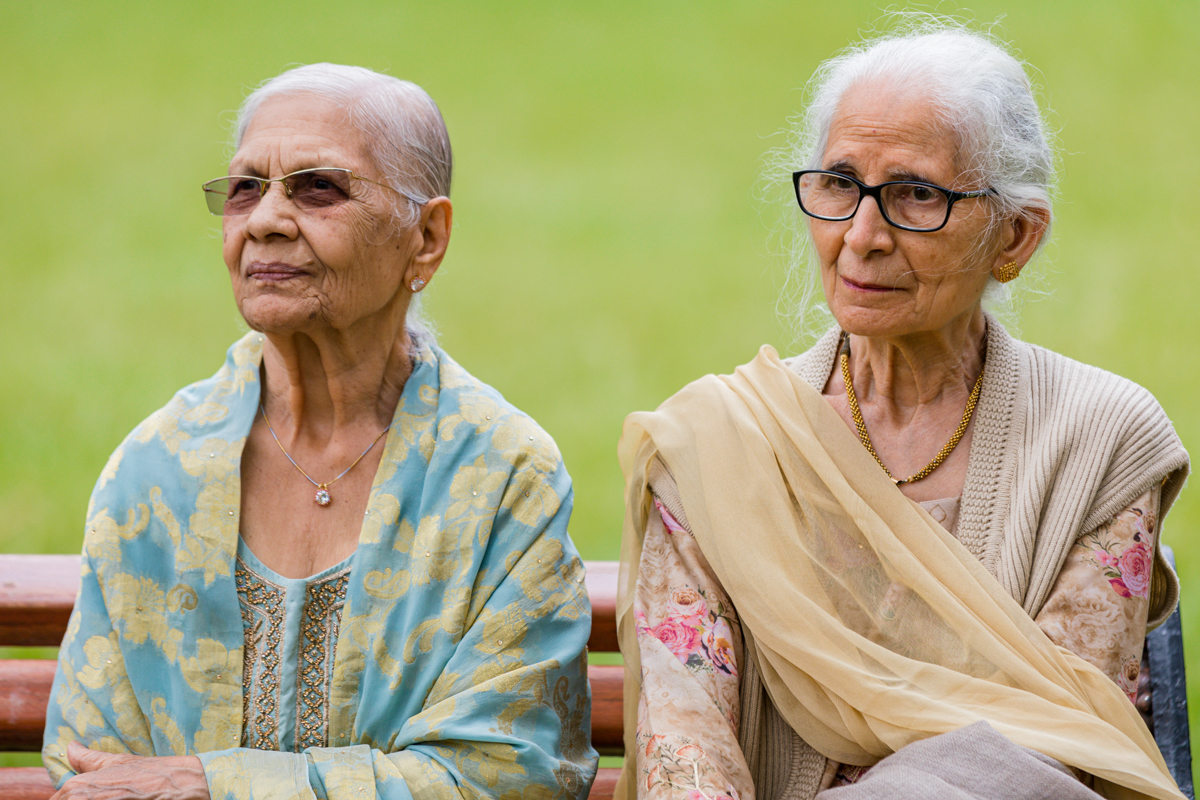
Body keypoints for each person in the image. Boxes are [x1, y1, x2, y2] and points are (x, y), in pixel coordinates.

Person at [616, 21, 1189, 800]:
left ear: (1015, 237)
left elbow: (1049, 748)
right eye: (839, 184)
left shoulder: (1099, 440)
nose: (861, 236)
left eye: (916, 194)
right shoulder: (720, 444)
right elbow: (686, 747)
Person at [43, 63, 597, 800]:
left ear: (426, 238)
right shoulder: (157, 470)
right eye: (245, 189)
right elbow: (88, 768)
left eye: (317, 188)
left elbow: (508, 773)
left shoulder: (499, 476)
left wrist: (219, 787)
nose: (266, 219)